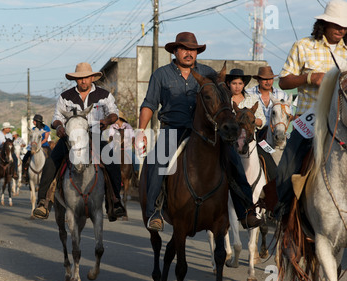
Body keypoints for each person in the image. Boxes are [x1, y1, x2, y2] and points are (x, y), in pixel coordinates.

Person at [137, 32, 262, 232]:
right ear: (175, 51)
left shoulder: (208, 73)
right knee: (157, 162)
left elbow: (222, 99)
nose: (189, 53)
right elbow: (149, 104)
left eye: (193, 50)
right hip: (173, 128)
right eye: (185, 49)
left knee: (233, 160)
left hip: (207, 131)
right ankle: (154, 212)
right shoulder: (161, 75)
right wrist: (140, 131)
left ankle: (246, 211)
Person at [273, 0, 347, 219]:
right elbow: (284, 81)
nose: (342, 29)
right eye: (337, 25)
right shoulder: (303, 46)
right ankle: (283, 214)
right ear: (324, 24)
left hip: (341, 122)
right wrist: (309, 77)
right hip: (310, 119)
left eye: (345, 26)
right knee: (287, 166)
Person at [32, 62, 126, 220]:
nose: (83, 81)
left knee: (112, 162)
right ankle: (43, 202)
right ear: (76, 80)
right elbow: (56, 118)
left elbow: (113, 113)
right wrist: (59, 127)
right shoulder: (66, 97)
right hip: (70, 138)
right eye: (80, 78)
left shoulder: (104, 95)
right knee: (51, 163)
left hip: (94, 135)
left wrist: (107, 120)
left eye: (86, 78)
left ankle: (115, 201)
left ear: (92, 78)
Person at [245, 66, 290, 139]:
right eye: (265, 79)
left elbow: (289, 116)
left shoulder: (282, 95)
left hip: (277, 133)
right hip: (254, 133)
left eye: (270, 79)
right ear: (258, 80)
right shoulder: (248, 93)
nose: (268, 82)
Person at [21, 115, 51, 183]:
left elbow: (46, 139)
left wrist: (39, 145)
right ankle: (24, 175)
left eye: (34, 121)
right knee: (25, 158)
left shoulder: (46, 128)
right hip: (34, 147)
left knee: (51, 157)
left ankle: (52, 175)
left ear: (37, 122)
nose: (33, 122)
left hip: (44, 145)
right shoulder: (33, 129)